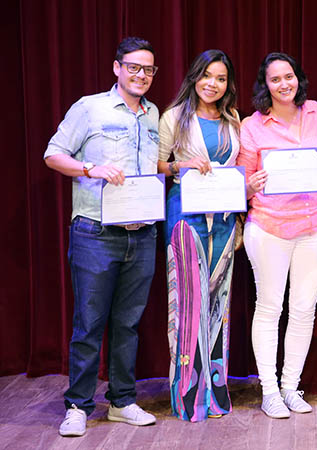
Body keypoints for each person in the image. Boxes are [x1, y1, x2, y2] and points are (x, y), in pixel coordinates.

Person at [44, 37, 159, 437]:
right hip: (95, 232)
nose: (141, 75)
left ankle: (122, 401)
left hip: (142, 233)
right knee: (89, 323)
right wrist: (91, 168)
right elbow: (53, 153)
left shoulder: (152, 114)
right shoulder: (89, 107)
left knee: (128, 324)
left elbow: (150, 165)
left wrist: (180, 167)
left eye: (148, 69)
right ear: (116, 67)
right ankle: (77, 404)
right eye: (133, 67)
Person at [237, 52, 317, 419]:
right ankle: (269, 391)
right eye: (275, 79)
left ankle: (290, 387)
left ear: (298, 78)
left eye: (289, 76)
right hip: (270, 227)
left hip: (316, 224)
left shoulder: (315, 111)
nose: (284, 84)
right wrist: (252, 183)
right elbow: (242, 183)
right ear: (266, 85)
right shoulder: (252, 125)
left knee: (304, 309)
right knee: (269, 308)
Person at [157, 49, 240, 422]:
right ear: (195, 77)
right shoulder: (174, 116)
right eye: (207, 75)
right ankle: (189, 395)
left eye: (220, 78)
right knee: (189, 305)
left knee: (218, 306)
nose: (213, 84)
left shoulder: (232, 118)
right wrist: (181, 164)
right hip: (186, 216)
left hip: (224, 218)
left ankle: (216, 393)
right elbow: (157, 163)